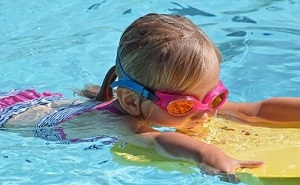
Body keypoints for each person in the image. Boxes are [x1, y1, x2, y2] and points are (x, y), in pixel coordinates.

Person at [1, 13, 300, 175]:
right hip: (13, 118)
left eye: (216, 96)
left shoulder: (196, 104)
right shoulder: (120, 124)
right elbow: (156, 141)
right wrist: (208, 155)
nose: (206, 112)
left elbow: (256, 110)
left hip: (45, 101)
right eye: (183, 106)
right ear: (131, 101)